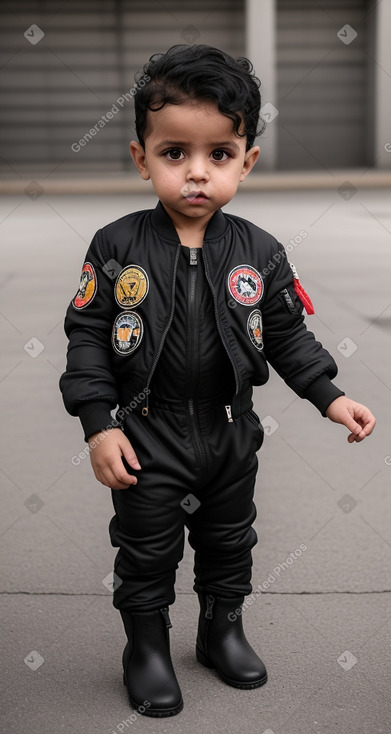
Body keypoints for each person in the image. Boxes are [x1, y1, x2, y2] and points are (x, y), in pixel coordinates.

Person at [59, 44, 376, 718]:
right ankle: (145, 648)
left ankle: (220, 631)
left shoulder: (260, 252)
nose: (196, 174)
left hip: (231, 434)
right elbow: (87, 336)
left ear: (246, 160)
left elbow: (286, 335)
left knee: (229, 540)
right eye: (174, 153)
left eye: (218, 155)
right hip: (147, 435)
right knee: (145, 551)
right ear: (141, 156)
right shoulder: (115, 245)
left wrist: (330, 394)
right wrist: (98, 424)